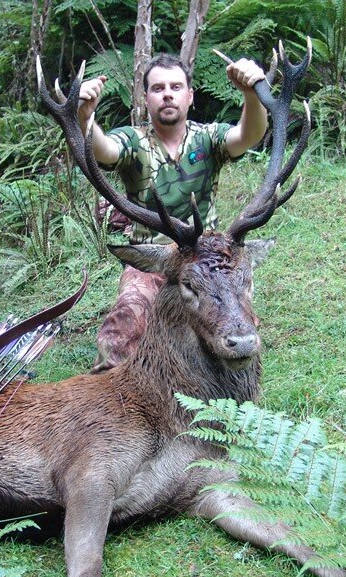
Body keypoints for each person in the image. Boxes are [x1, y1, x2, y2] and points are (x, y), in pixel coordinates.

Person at [78, 53, 268, 372]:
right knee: (124, 325)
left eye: (176, 86)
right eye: (158, 88)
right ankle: (110, 393)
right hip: (152, 259)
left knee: (232, 323)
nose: (167, 93)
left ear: (189, 96)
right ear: (146, 98)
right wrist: (86, 117)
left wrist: (252, 94)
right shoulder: (133, 141)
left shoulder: (208, 138)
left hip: (206, 259)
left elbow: (248, 136)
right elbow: (104, 150)